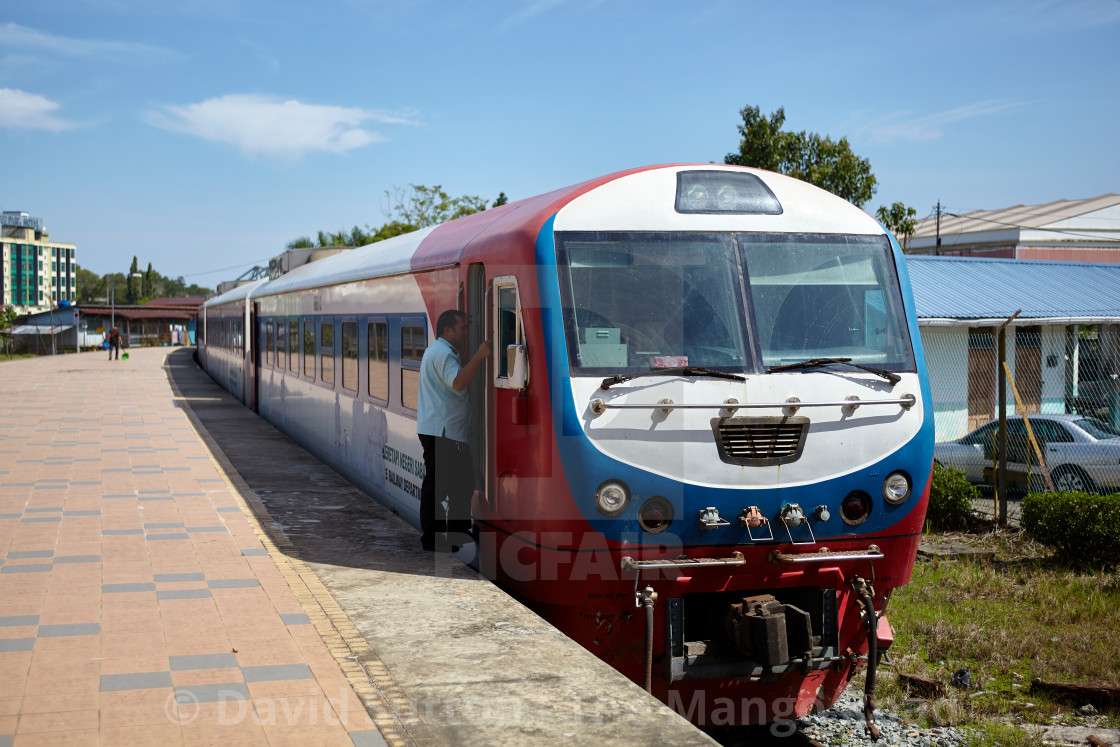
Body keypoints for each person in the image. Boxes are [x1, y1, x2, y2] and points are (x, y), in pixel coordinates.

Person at [417, 309, 491, 552]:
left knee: (463, 484)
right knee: (438, 488)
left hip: (444, 431)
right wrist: (480, 356)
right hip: (444, 432)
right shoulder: (445, 355)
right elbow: (458, 381)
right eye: (462, 328)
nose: (466, 333)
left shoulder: (436, 350)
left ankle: (456, 535)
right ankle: (433, 539)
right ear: (447, 329)